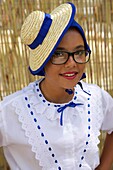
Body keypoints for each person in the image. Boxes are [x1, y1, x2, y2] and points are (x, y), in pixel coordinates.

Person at [0, 2, 113, 170]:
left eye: (79, 52)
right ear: (44, 61)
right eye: (59, 54)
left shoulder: (96, 98)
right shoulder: (11, 111)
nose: (71, 63)